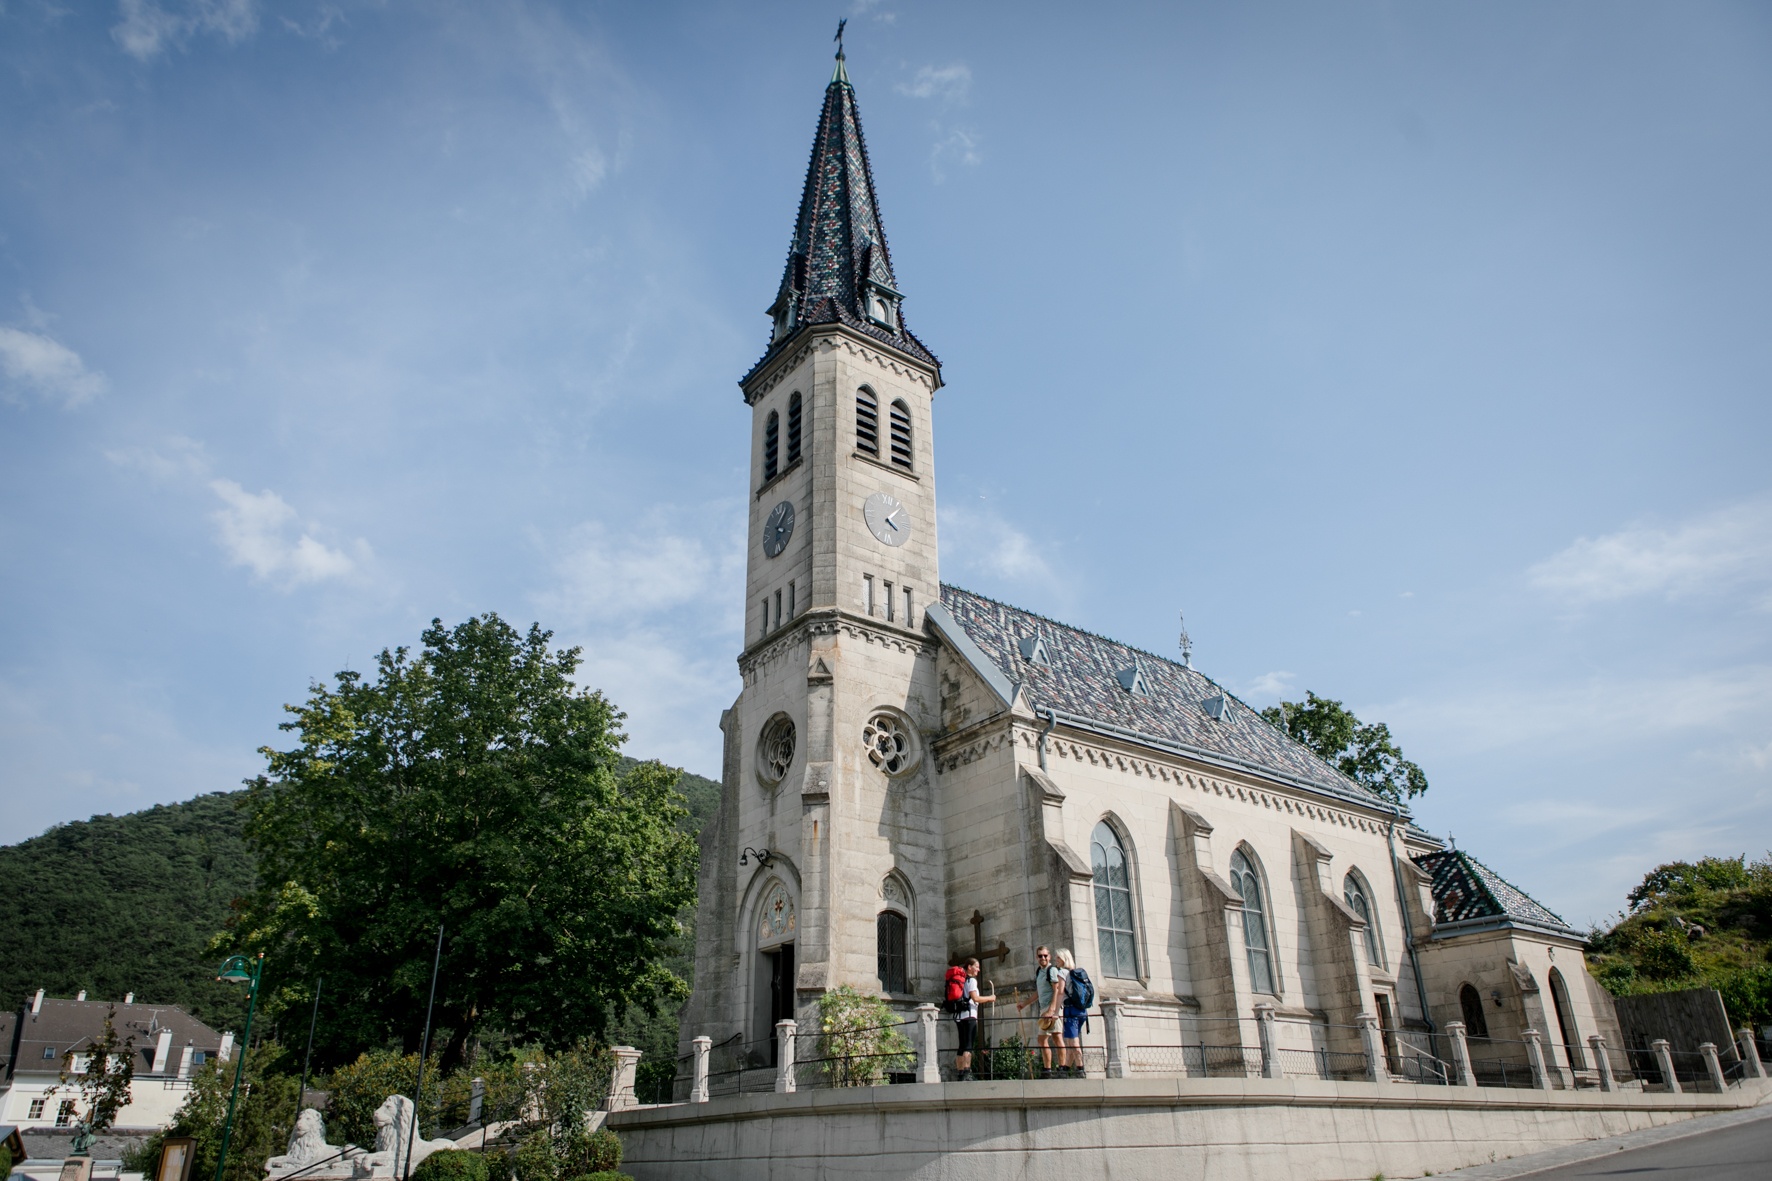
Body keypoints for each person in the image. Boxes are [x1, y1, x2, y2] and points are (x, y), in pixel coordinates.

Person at [1016, 945, 1067, 1078]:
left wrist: (1052, 1010)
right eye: (1040, 956)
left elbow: (1056, 990)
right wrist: (1024, 1004)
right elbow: (1039, 993)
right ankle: (1047, 1070)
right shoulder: (1039, 971)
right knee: (1042, 1039)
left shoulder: (1052, 970)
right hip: (1044, 1009)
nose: (1043, 958)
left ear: (1049, 957)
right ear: (1036, 957)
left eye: (1045, 955)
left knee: (1056, 1037)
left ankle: (1062, 1069)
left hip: (1052, 1009)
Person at [952, 957, 995, 1081]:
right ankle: (967, 1072)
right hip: (969, 1016)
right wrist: (990, 998)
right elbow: (975, 998)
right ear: (969, 967)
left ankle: (960, 1073)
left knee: (961, 1045)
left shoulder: (961, 980)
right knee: (968, 1045)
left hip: (959, 1016)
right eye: (976, 967)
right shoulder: (971, 980)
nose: (978, 970)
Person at [1055, 948, 1086, 1078]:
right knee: (1070, 1042)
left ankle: (1080, 1069)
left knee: (1073, 1043)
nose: (1056, 960)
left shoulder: (1062, 972)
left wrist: (1056, 1012)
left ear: (1063, 959)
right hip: (1082, 1011)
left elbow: (1060, 992)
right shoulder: (1075, 973)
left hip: (1070, 1011)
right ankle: (1065, 1069)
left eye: (1058, 957)